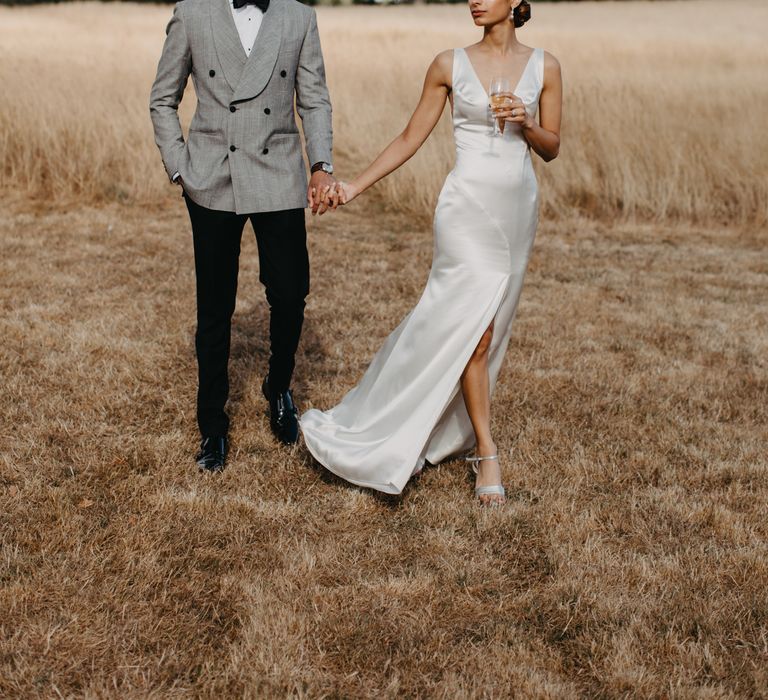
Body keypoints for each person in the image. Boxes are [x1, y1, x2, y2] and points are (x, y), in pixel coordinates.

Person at [301, 0, 562, 505]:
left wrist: (527, 123)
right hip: (466, 210)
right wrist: (354, 188)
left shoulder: (547, 66)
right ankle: (486, 451)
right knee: (476, 330)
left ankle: (447, 425)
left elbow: (551, 147)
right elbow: (409, 138)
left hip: (516, 209)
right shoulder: (448, 63)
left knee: (491, 324)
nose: (475, 1)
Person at [150, 0, 338, 472]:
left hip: (279, 173)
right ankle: (212, 425)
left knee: (291, 294)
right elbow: (162, 98)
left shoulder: (298, 17)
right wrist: (180, 168)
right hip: (212, 178)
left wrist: (320, 166)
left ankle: (278, 388)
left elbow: (313, 98)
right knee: (214, 308)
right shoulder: (192, 13)